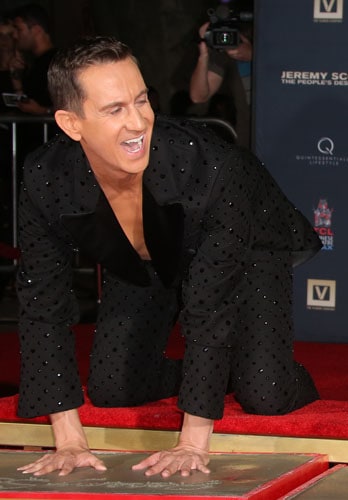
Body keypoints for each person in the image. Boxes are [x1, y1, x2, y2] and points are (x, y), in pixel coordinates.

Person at [15, 35, 321, 478]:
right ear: (71, 123)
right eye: (115, 109)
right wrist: (68, 439)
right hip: (145, 260)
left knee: (266, 391)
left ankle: (259, 363)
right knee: (113, 388)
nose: (138, 122)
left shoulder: (210, 165)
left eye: (142, 100)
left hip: (249, 250)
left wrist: (193, 441)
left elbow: (208, 302)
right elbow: (41, 301)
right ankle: (222, 369)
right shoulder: (46, 177)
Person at [189, 1, 253, 148]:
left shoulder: (271, 37)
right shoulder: (228, 48)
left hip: (279, 131)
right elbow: (198, 96)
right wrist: (203, 53)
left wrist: (256, 55)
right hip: (248, 140)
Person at [10, 3, 55, 116]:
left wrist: (43, 111)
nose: (15, 35)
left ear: (36, 30)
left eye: (19, 29)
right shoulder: (33, 63)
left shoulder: (57, 62)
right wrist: (17, 78)